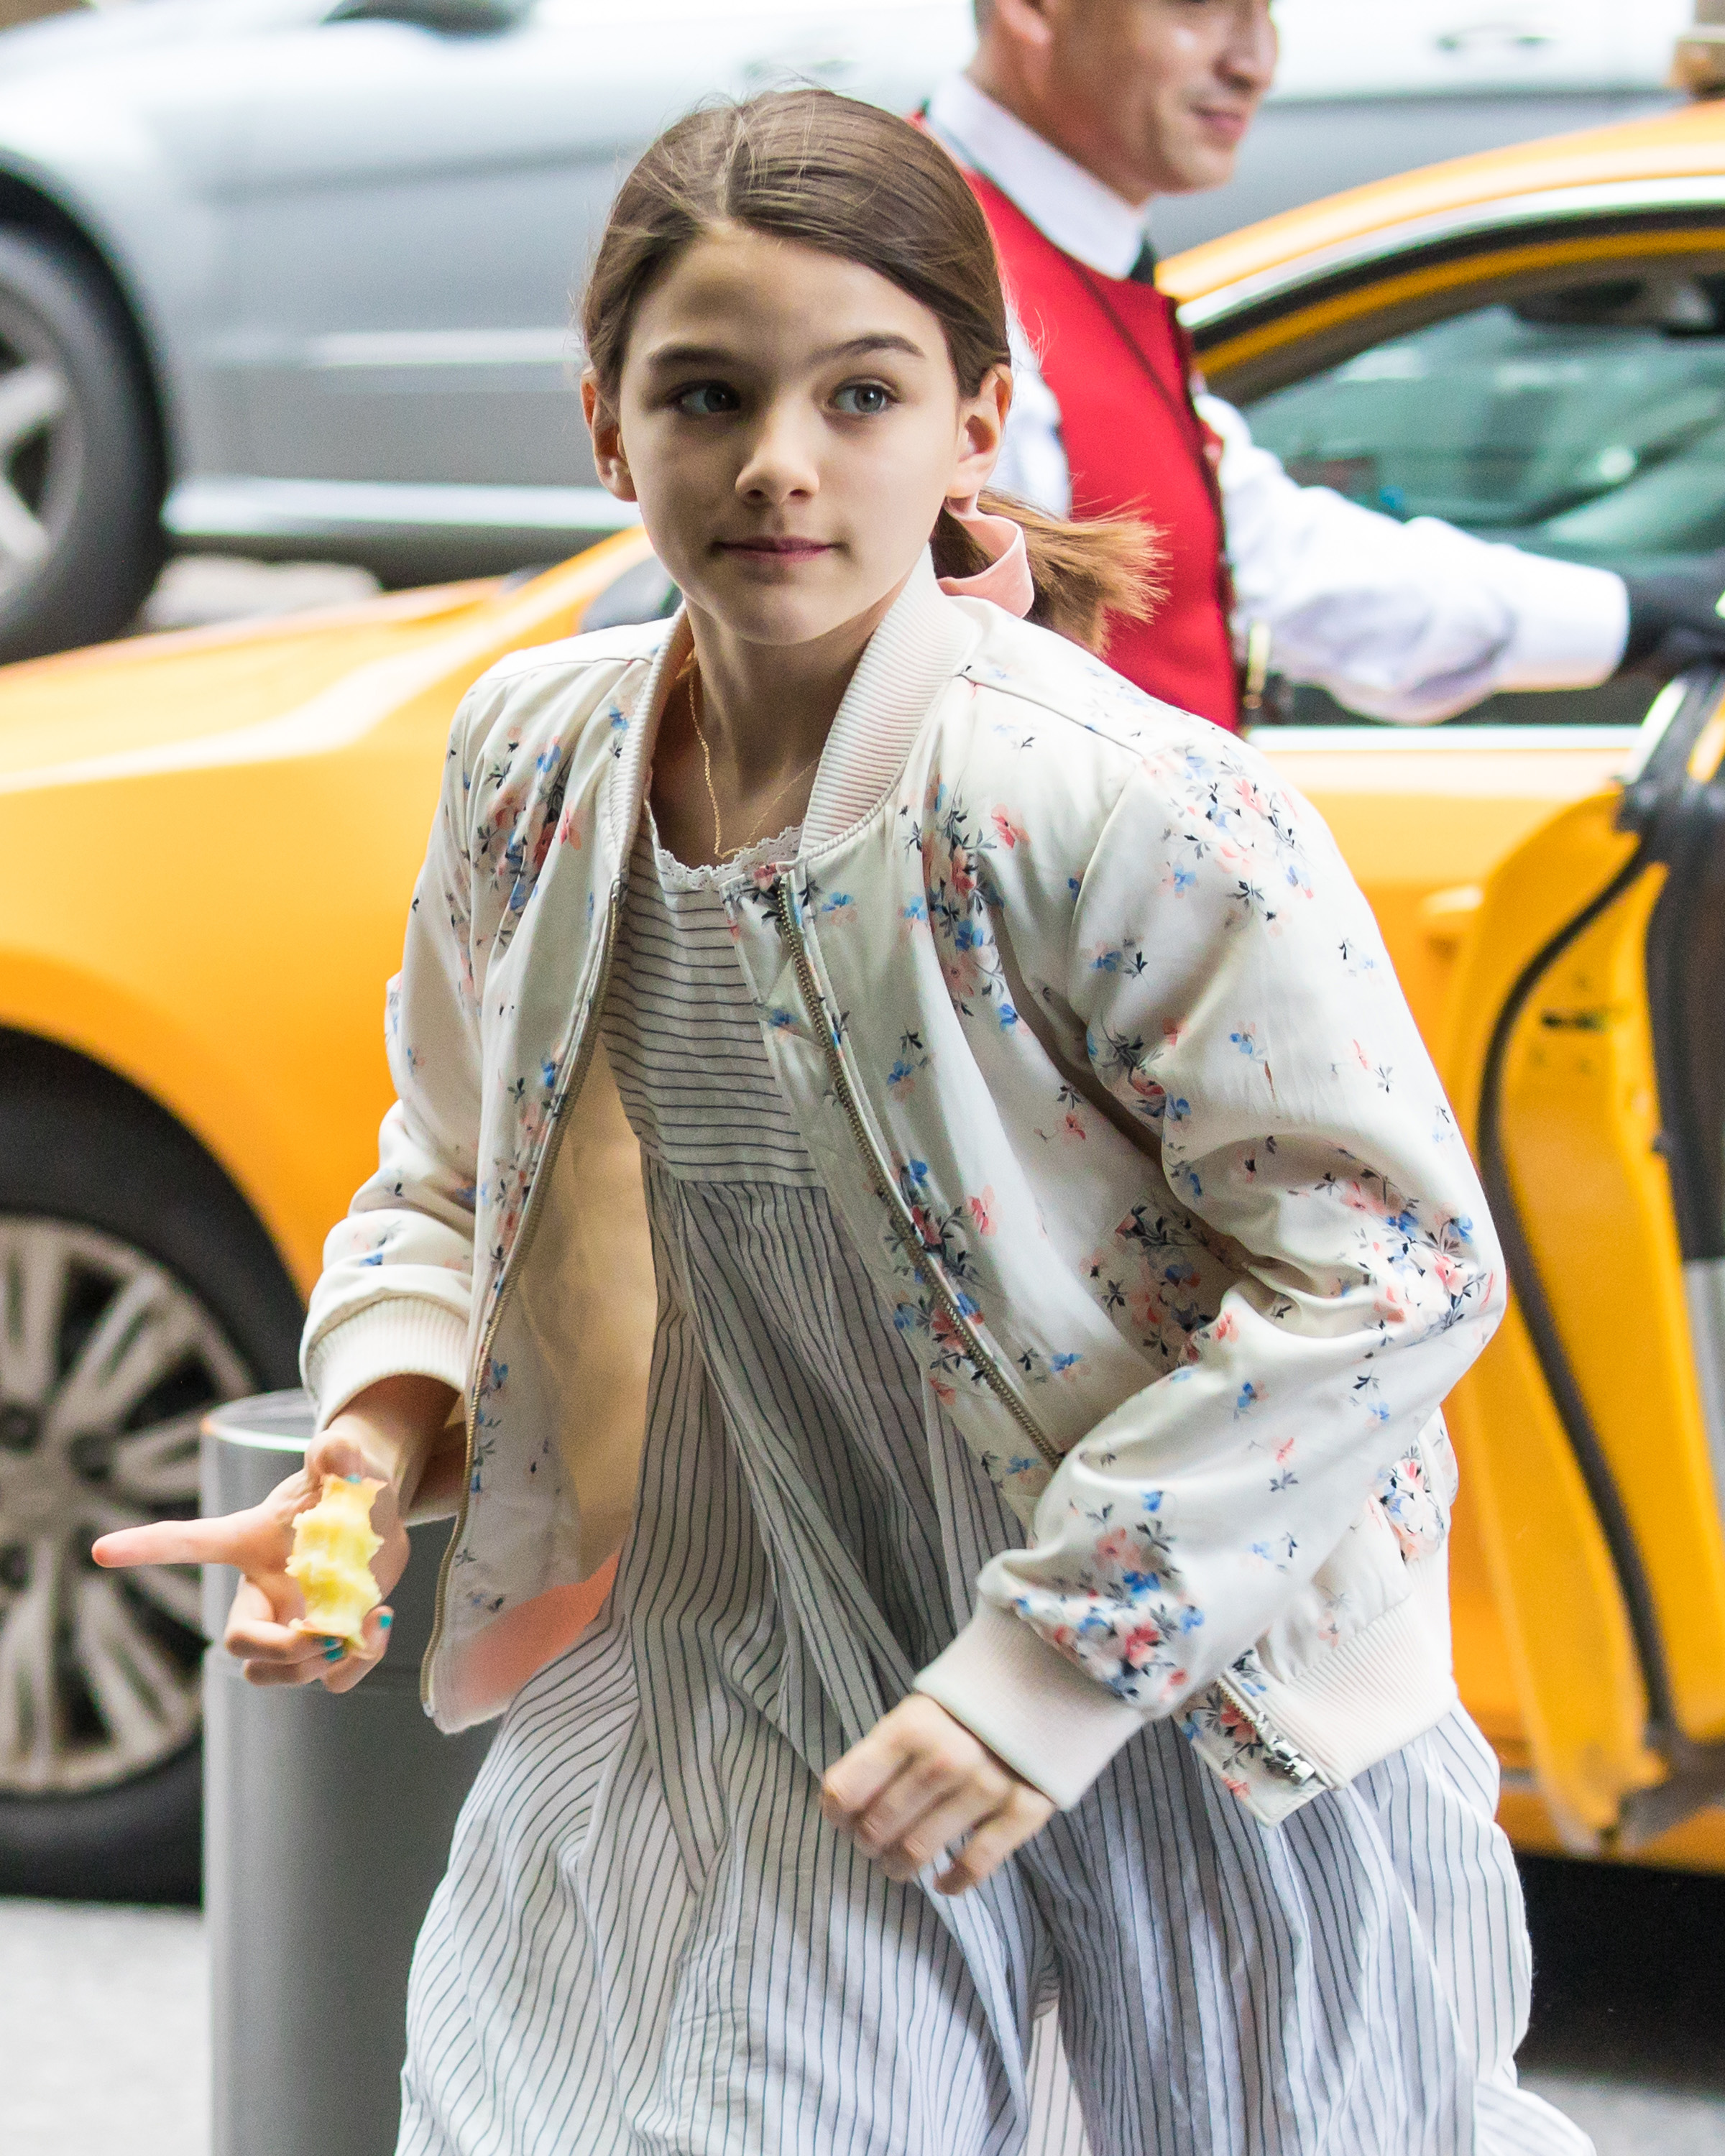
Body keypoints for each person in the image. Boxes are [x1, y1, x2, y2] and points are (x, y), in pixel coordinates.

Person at [95, 89, 1589, 2156]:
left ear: (980, 424)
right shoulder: (532, 765)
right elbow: (452, 1180)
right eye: (706, 394)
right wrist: (369, 1446)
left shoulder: (1117, 807)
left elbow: (1396, 1263)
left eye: (859, 393)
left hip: (1198, 1709)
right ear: (608, 430)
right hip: (740, 1671)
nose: (780, 461)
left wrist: (1048, 1667)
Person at [927, 0, 1725, 727]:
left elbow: (1270, 551)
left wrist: (1643, 613)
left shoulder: (1050, 243)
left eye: (1265, 10)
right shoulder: (938, 265)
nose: (1255, 61)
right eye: (1201, 8)